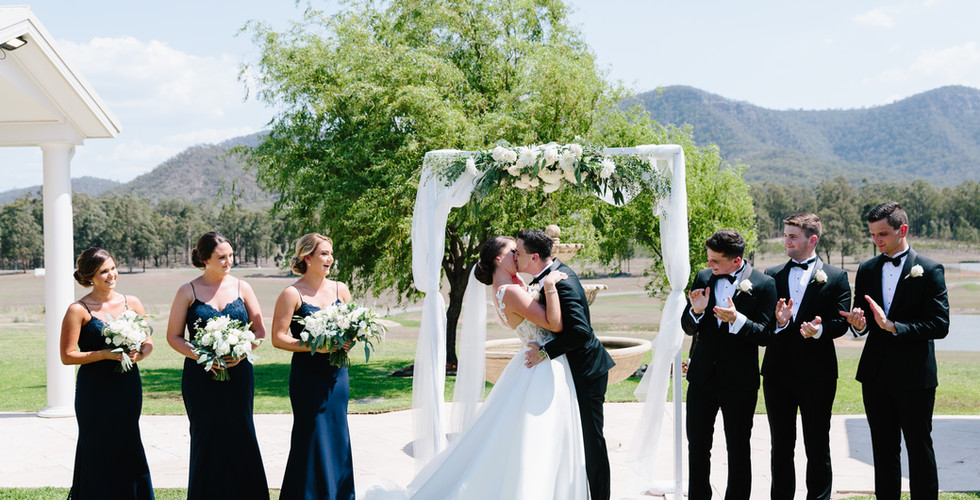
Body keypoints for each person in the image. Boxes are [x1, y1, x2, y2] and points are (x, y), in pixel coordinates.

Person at [405, 235, 587, 499]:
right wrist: (549, 284)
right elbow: (555, 325)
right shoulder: (510, 292)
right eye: (514, 251)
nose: (518, 255)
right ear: (499, 258)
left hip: (539, 361)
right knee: (540, 437)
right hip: (541, 367)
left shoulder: (510, 286)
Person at [840, 201, 949, 500]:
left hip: (915, 377)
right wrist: (859, 324)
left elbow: (940, 325)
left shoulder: (929, 269)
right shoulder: (867, 269)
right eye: (873, 234)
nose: (876, 240)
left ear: (903, 230)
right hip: (875, 376)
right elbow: (861, 322)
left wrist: (895, 327)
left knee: (919, 448)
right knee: (884, 450)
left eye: (883, 234)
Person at [165, 231, 269, 500]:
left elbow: (259, 331)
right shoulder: (187, 291)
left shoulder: (242, 287)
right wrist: (203, 357)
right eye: (221, 257)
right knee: (206, 437)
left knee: (241, 434)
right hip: (201, 378)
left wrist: (243, 352)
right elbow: (173, 337)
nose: (228, 261)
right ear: (204, 259)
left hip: (239, 374)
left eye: (231, 256)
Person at [519, 228, 615, 500]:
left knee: (591, 441)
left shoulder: (562, 281)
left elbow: (580, 332)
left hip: (587, 371)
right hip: (570, 371)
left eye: (519, 252)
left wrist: (544, 352)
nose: (516, 256)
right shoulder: (548, 277)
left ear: (534, 257)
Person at [681, 229, 777, 500]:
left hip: (739, 382)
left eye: (716, 261)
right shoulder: (703, 277)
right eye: (709, 259)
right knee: (697, 446)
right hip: (702, 378)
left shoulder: (764, 284)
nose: (710, 265)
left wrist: (738, 320)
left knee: (738, 448)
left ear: (736, 261)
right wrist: (696, 311)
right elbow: (687, 327)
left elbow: (766, 335)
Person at [763, 213, 851, 500]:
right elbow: (764, 325)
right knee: (781, 445)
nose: (785, 240)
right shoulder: (771, 275)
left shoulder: (837, 277)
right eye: (785, 234)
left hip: (819, 375)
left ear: (812, 240)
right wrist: (779, 322)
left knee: (817, 445)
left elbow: (841, 323)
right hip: (777, 375)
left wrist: (819, 329)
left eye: (792, 236)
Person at [60, 247, 154, 500]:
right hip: (94, 390)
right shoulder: (78, 310)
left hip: (127, 386)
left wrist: (138, 355)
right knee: (96, 446)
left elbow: (147, 343)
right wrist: (103, 354)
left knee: (128, 441)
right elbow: (67, 355)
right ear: (90, 276)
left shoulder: (131, 302)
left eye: (113, 268)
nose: (111, 275)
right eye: (104, 271)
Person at [271, 233, 355, 500]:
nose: (329, 259)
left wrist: (347, 342)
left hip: (336, 376)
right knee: (310, 437)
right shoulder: (292, 293)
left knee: (337, 436)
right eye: (323, 254)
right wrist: (312, 347)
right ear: (307, 257)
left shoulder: (341, 289)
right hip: (307, 378)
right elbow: (278, 337)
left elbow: (352, 329)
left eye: (331, 253)